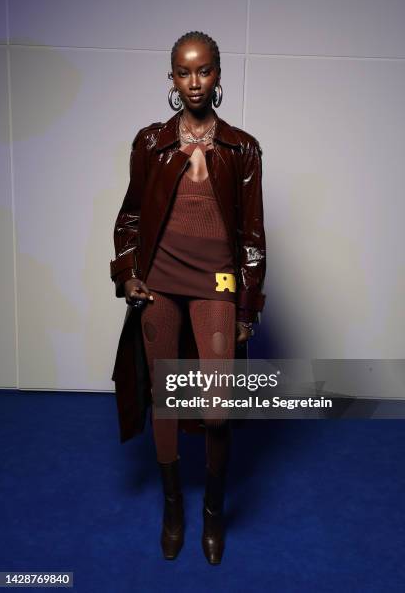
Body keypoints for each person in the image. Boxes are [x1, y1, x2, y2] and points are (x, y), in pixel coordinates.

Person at [110, 31, 266, 564]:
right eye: (183, 71)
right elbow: (131, 215)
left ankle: (214, 512)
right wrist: (129, 271)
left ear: (218, 75)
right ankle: (174, 507)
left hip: (216, 281)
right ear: (171, 79)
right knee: (166, 401)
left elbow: (252, 237)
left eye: (203, 70)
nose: (193, 81)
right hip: (160, 281)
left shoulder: (242, 148)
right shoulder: (150, 143)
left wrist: (247, 307)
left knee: (217, 408)